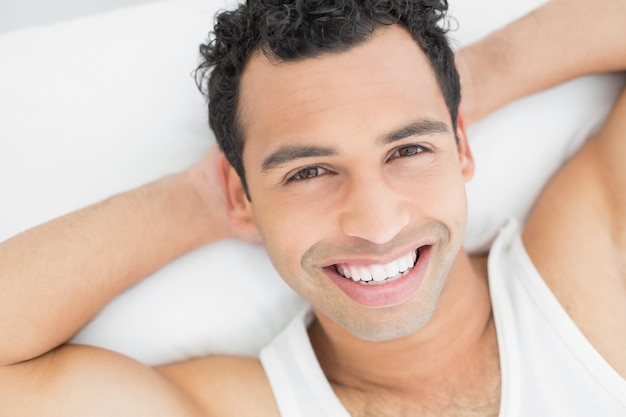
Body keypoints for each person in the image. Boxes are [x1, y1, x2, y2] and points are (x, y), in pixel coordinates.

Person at [1, 0, 625, 415]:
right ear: (245, 196)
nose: (377, 224)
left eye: (408, 148)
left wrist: (475, 78)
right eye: (310, 171)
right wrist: (198, 201)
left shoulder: (594, 271)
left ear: (461, 146)